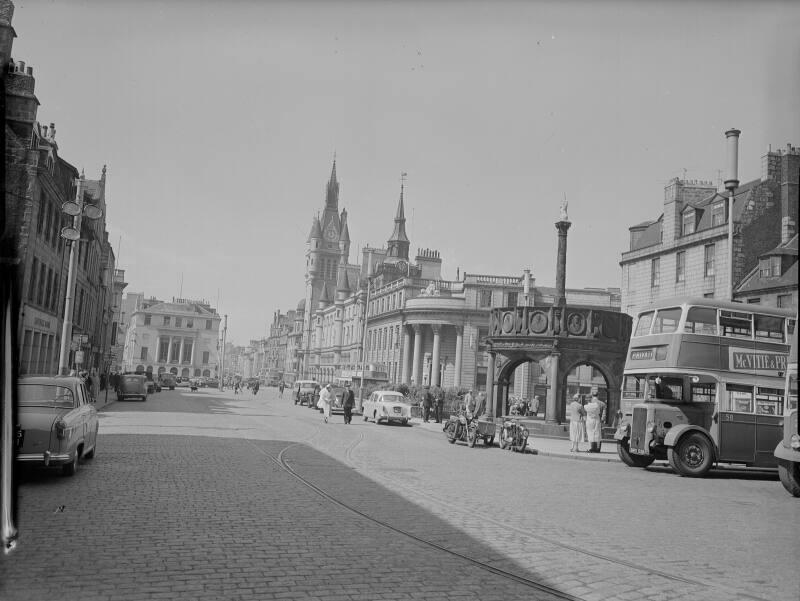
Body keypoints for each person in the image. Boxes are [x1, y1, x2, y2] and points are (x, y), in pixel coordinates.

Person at [584, 387, 607, 453]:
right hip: (598, 420)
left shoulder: (589, 402)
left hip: (590, 420)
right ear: (598, 395)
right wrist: (602, 420)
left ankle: (592, 448)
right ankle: (598, 448)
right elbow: (604, 414)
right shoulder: (602, 403)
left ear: (592, 396)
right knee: (599, 434)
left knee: (591, 434)